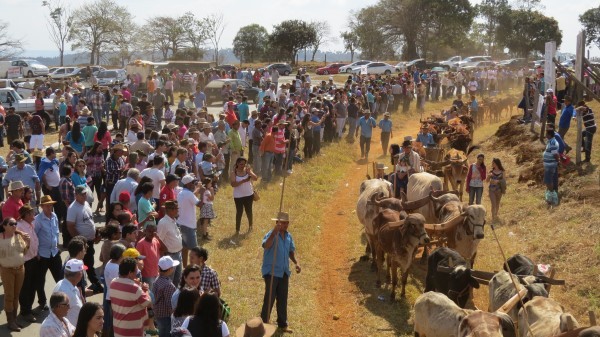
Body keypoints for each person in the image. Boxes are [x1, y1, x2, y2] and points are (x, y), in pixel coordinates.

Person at [260, 212, 301, 333]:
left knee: (283, 298)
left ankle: (283, 324)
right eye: (278, 222)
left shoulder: (289, 236)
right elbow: (266, 245)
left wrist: (296, 263)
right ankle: (264, 323)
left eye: (283, 222)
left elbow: (291, 252)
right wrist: (274, 233)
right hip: (271, 271)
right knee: (270, 298)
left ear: (287, 224)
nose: (280, 224)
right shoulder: (271, 234)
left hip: (283, 272)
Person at [67, 185, 103, 293]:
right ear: (76, 195)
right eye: (82, 194)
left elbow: (90, 221)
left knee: (89, 263)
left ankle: (89, 283)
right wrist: (80, 241)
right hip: (83, 243)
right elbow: (70, 226)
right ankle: (93, 284)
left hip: (90, 241)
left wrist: (96, 233)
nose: (84, 195)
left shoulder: (86, 204)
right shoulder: (73, 208)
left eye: (85, 193)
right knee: (87, 264)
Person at [0, 217, 30, 331]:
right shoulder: (0, 238)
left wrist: (28, 242)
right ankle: (10, 322)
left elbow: (24, 251)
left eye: (15, 224)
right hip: (7, 270)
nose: (14, 226)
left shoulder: (18, 236)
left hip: (20, 269)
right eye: (11, 224)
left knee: (16, 295)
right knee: (9, 296)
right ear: (4, 226)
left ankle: (14, 320)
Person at [110, 257, 152, 337]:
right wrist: (145, 289)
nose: (137, 273)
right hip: (132, 332)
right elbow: (148, 302)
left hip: (118, 329)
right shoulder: (134, 288)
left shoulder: (113, 282)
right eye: (136, 271)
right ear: (130, 273)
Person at [16, 205, 40, 323]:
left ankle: (28, 308)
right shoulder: (19, 227)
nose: (33, 215)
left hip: (33, 258)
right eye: (31, 213)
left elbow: (34, 239)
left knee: (33, 285)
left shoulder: (30, 224)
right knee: (25, 287)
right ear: (25, 215)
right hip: (25, 261)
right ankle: (25, 312)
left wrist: (36, 253)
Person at [52, 259, 86, 326]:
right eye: (82, 271)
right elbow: (58, 316)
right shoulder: (66, 293)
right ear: (79, 274)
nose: (83, 274)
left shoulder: (65, 284)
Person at [157, 200, 183, 285]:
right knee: (169, 281)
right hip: (170, 256)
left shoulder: (173, 220)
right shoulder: (163, 223)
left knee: (177, 279)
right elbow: (158, 240)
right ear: (169, 210)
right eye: (176, 209)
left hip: (178, 254)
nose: (177, 211)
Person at [153, 256, 179, 337]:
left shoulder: (157, 279)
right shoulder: (168, 285)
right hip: (166, 316)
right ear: (170, 269)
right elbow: (170, 304)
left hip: (158, 314)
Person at [230, 157, 257, 234]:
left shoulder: (247, 171)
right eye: (241, 164)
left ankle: (250, 226)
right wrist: (243, 181)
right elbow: (233, 184)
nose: (243, 166)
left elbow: (255, 178)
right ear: (237, 164)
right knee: (239, 212)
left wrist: (250, 173)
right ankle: (237, 230)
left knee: (249, 211)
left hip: (249, 195)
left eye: (244, 164)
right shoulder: (233, 173)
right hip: (238, 196)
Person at [136, 223, 161, 289]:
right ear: (145, 231)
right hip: (147, 274)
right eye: (149, 231)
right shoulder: (141, 243)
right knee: (150, 294)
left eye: (153, 231)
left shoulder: (155, 240)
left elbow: (163, 250)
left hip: (156, 272)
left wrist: (158, 237)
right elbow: (137, 258)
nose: (151, 233)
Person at [543, 129, 560, 206]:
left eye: (546, 134)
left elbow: (555, 154)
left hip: (550, 165)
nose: (545, 135)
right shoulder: (551, 141)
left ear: (549, 135)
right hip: (550, 164)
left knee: (548, 181)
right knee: (552, 179)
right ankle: (552, 194)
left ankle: (553, 195)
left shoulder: (553, 143)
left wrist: (557, 161)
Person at [487, 158, 505, 222]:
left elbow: (504, 181)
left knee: (497, 204)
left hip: (499, 190)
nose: (492, 164)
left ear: (497, 163)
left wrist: (498, 181)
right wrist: (489, 176)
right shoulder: (491, 171)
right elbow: (486, 181)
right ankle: (493, 217)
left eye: (493, 163)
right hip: (491, 190)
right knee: (493, 204)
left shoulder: (502, 171)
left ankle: (496, 215)